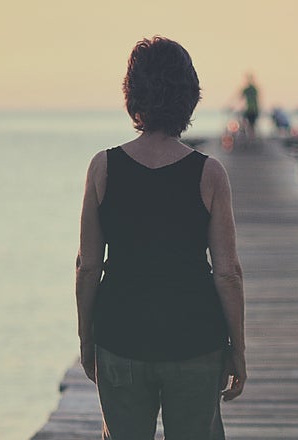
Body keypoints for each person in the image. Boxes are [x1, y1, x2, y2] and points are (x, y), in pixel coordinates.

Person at [76, 36, 247, 439]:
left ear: (132, 95)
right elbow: (228, 273)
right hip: (195, 340)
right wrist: (237, 352)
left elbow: (87, 267)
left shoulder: (103, 168)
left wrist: (87, 339)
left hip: (120, 338)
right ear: (189, 97)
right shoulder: (209, 174)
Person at [240, 74, 260, 139]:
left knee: (249, 123)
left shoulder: (249, 89)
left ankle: (249, 135)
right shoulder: (254, 89)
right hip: (253, 110)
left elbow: (240, 97)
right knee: (251, 124)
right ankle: (251, 136)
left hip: (251, 110)